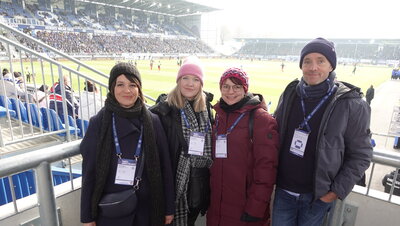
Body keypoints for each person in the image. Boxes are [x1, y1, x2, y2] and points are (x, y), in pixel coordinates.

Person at [273, 38, 372, 226]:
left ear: (331, 66)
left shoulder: (352, 104)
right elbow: (274, 131)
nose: (313, 67)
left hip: (317, 198)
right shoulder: (290, 93)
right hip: (284, 192)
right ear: (301, 65)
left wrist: (334, 192)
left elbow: (361, 155)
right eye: (307, 61)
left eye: (320, 61)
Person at [80, 62, 175, 226]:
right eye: (120, 84)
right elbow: (89, 171)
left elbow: (165, 168)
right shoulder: (99, 122)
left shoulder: (153, 121)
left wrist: (168, 209)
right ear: (112, 88)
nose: (127, 90)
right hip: (112, 212)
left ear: (139, 89)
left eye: (132, 85)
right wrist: (87, 216)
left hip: (148, 211)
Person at [207, 67, 279, 226]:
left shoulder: (261, 119)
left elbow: (266, 168)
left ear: (245, 89)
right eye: (225, 86)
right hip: (217, 209)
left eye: (236, 87)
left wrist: (255, 209)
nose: (230, 91)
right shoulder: (219, 116)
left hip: (246, 211)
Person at [149, 56, 213, 226]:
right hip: (171, 191)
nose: (190, 84)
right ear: (178, 81)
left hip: (196, 190)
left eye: (195, 79)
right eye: (185, 78)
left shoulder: (206, 109)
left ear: (201, 84)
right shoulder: (163, 111)